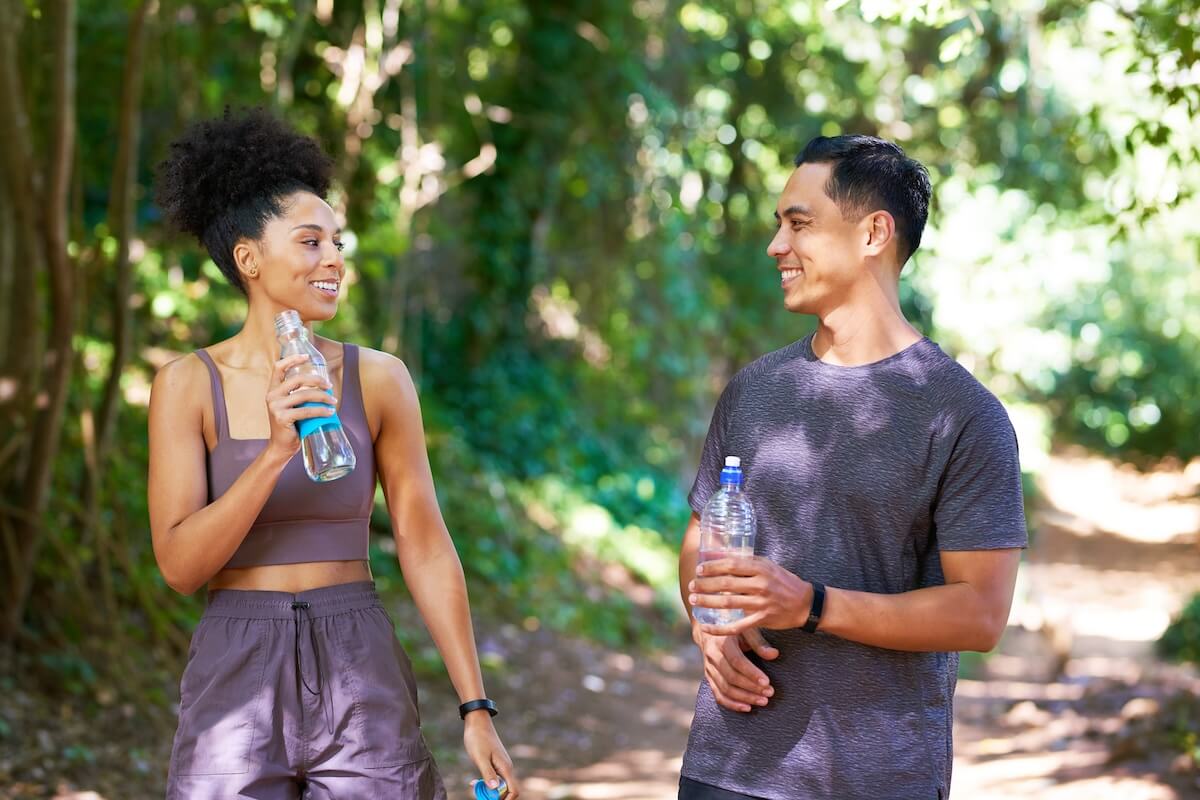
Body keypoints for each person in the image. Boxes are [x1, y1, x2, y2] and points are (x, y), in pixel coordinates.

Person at [147, 108, 519, 800]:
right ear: (249, 259)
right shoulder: (186, 386)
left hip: (358, 659)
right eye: (311, 242)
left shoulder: (379, 378)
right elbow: (179, 566)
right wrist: (273, 454)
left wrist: (475, 708)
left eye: (337, 242)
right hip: (236, 665)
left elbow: (425, 543)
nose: (334, 260)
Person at [678, 135, 1026, 800]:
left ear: (873, 234)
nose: (777, 246)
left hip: (875, 778)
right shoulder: (752, 390)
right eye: (779, 224)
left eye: (799, 224)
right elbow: (701, 541)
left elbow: (980, 614)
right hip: (727, 765)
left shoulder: (963, 416)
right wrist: (708, 626)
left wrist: (809, 605)